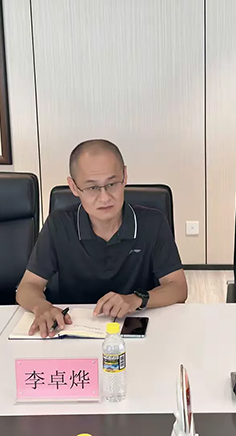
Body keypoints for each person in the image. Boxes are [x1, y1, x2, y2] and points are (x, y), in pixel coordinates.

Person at [16, 139, 188, 337]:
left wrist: (136, 299)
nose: (105, 197)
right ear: (73, 187)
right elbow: (28, 286)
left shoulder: (153, 222)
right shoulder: (59, 224)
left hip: (133, 329)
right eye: (92, 188)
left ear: (125, 176)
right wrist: (42, 307)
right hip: (70, 331)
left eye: (112, 184)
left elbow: (178, 288)